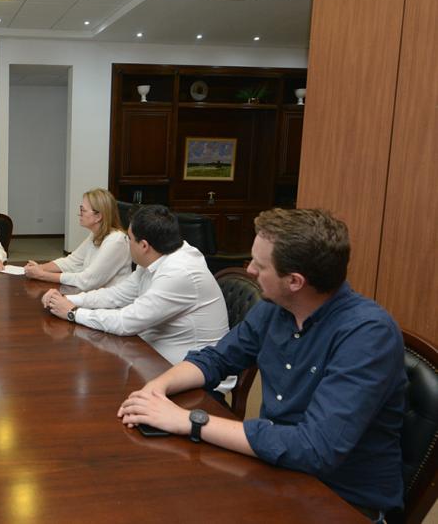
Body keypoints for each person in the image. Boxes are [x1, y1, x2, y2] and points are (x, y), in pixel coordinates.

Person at [117, 208, 406, 519]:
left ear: (295, 281)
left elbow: (315, 449)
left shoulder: (366, 335)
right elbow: (216, 359)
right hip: (277, 472)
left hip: (341, 500)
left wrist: (190, 421)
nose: (249, 269)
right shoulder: (276, 308)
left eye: (260, 264)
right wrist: (157, 388)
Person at [42, 205, 231, 387]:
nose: (126, 242)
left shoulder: (179, 272)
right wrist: (68, 300)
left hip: (192, 376)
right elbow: (118, 295)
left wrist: (73, 313)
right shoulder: (157, 255)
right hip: (152, 357)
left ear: (144, 245)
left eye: (129, 238)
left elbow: (127, 322)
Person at [24, 188, 132, 290]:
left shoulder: (116, 241)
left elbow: (87, 280)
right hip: (93, 297)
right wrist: (40, 268)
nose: (79, 214)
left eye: (83, 210)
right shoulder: (96, 234)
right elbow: (72, 262)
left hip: (111, 304)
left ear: (98, 216)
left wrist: (42, 275)